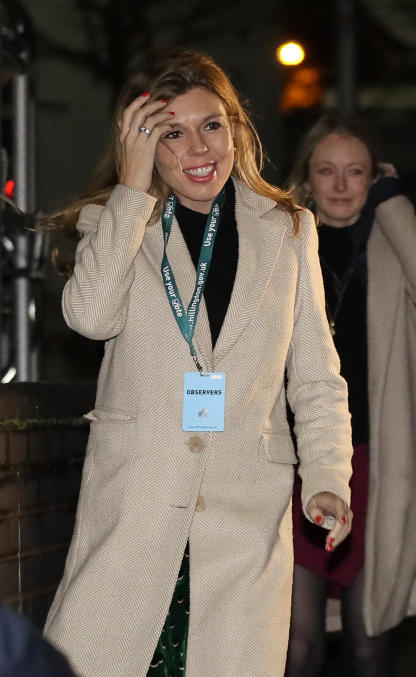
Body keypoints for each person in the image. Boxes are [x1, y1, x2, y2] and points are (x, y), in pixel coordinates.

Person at [43, 48, 354, 677]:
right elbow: (90, 316)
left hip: (242, 514)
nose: (196, 147)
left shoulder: (288, 230)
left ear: (236, 131)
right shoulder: (120, 223)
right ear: (144, 147)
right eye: (171, 133)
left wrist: (327, 477)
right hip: (137, 505)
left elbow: (317, 374)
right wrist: (131, 191)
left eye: (211, 125)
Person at [284, 116, 416, 677]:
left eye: (356, 172)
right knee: (296, 645)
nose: (340, 185)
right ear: (307, 179)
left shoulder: (392, 239)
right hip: (296, 462)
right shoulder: (281, 242)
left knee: (369, 641)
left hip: (378, 460)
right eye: (327, 171)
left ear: (374, 178)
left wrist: (393, 202)